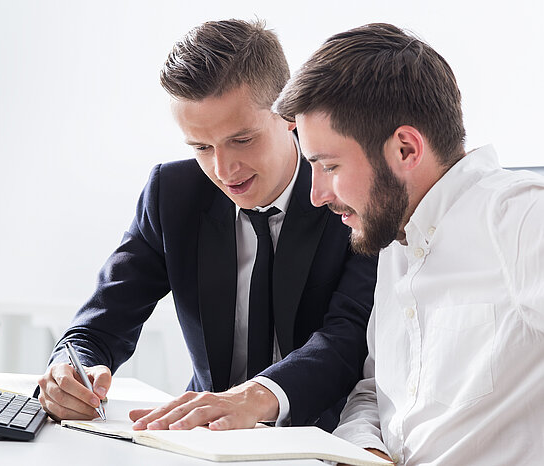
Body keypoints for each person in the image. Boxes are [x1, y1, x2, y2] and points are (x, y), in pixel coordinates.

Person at [37, 19, 377, 433]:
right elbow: (102, 321)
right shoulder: (173, 195)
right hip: (202, 443)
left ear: (290, 116)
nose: (223, 170)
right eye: (201, 146)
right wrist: (70, 370)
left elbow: (348, 336)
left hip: (322, 440)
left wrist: (258, 396)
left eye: (242, 139)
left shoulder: (346, 195)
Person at [274, 22, 544, 465]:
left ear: (405, 149)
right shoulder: (396, 241)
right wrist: (366, 445)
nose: (316, 194)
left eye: (329, 165)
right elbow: (379, 393)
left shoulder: (520, 219)